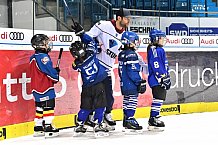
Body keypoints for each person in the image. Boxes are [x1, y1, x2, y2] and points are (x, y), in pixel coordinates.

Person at [70, 33, 109, 137]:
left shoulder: (77, 64)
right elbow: (91, 42)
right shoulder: (91, 54)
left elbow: (74, 66)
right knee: (100, 105)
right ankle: (98, 124)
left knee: (85, 107)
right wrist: (82, 34)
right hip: (98, 85)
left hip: (87, 88)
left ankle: (79, 124)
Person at [29, 34, 60, 137]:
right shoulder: (43, 57)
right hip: (45, 87)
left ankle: (38, 127)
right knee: (49, 106)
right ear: (41, 45)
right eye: (46, 43)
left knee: (40, 107)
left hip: (36, 88)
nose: (48, 45)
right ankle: (48, 126)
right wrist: (55, 74)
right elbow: (48, 71)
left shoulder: (33, 57)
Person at [118, 31, 146, 131]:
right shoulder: (132, 55)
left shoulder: (121, 54)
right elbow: (133, 70)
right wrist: (139, 81)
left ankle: (126, 119)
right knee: (133, 100)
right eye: (135, 41)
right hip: (131, 84)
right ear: (129, 42)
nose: (136, 43)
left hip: (124, 83)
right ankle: (130, 118)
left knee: (126, 100)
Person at [147, 29, 171, 131]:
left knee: (160, 98)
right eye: (162, 38)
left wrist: (166, 76)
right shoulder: (154, 49)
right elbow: (156, 64)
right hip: (156, 79)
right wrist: (161, 77)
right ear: (156, 38)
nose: (163, 40)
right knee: (158, 97)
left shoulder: (159, 49)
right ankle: (153, 118)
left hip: (160, 78)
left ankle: (154, 117)